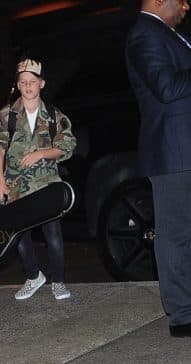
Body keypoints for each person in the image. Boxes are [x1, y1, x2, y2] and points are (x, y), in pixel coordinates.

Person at [125, 0, 191, 337]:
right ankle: (183, 315)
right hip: (174, 152)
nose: (185, 6)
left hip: (184, 150)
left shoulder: (170, 34)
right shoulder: (144, 34)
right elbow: (166, 88)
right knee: (176, 233)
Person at [0, 58, 76, 300]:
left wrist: (41, 154)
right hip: (16, 186)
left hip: (46, 184)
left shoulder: (54, 116)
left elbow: (67, 146)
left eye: (33, 82)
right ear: (17, 85)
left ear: (42, 84)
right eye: (23, 82)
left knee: (53, 236)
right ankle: (33, 276)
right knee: (19, 236)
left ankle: (58, 281)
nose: (28, 87)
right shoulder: (7, 116)